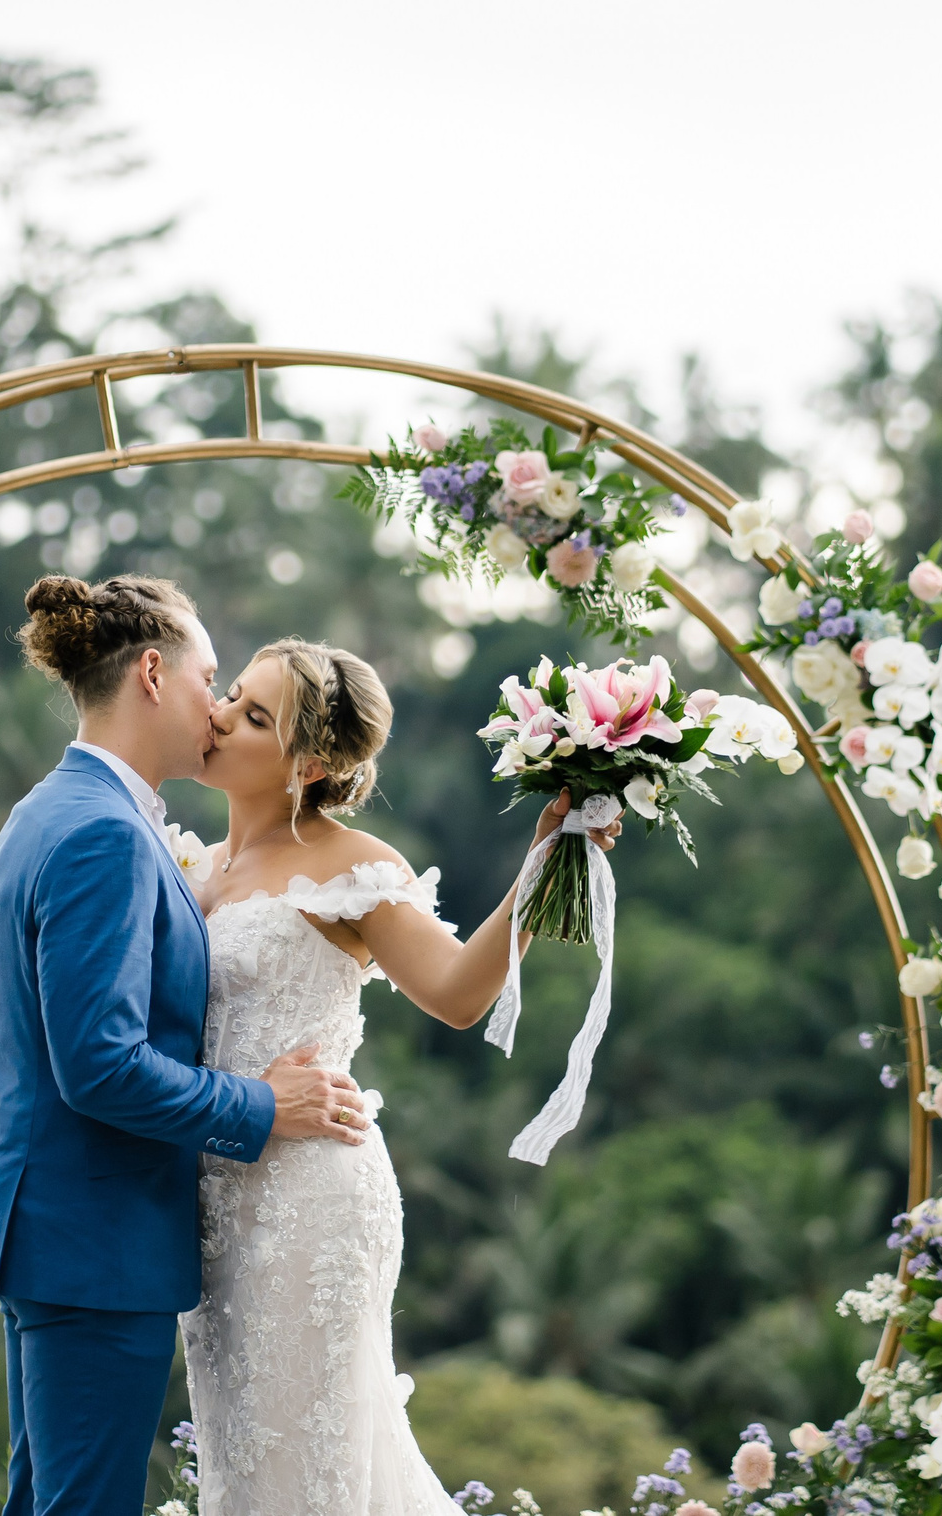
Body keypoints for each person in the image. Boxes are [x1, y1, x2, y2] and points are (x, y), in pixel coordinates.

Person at [180, 637, 619, 1516]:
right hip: (218, 1206)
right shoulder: (192, 866)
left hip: (312, 1197)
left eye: (254, 715)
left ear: (307, 763)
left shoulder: (351, 866)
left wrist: (541, 870)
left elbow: (459, 993)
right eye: (232, 694)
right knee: (246, 1473)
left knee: (311, 1475)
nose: (221, 715)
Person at [0, 575, 369, 1516]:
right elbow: (99, 1063)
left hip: (63, 1232)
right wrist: (265, 1105)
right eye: (211, 676)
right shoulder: (103, 833)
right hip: (94, 1241)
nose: (218, 707)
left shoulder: (52, 809)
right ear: (153, 672)